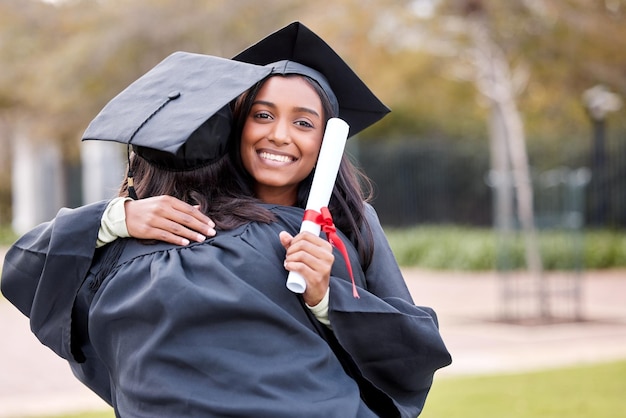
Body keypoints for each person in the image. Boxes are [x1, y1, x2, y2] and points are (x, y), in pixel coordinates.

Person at [2, 23, 452, 417]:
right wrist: (116, 218)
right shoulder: (178, 216)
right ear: (237, 126)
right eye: (263, 115)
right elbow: (27, 267)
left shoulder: (350, 223)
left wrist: (325, 299)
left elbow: (413, 347)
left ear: (325, 139)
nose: (279, 134)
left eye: (303, 123)